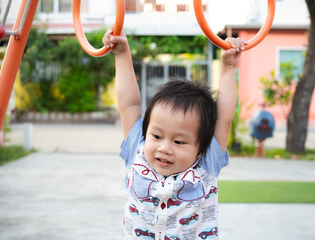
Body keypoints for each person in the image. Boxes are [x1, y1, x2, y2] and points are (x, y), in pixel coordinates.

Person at [103, 27, 245, 240]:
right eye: (157, 136)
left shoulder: (205, 165)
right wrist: (121, 53)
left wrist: (228, 66)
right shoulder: (137, 151)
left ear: (200, 148)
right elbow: (129, 105)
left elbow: (223, 119)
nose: (164, 148)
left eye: (179, 141)